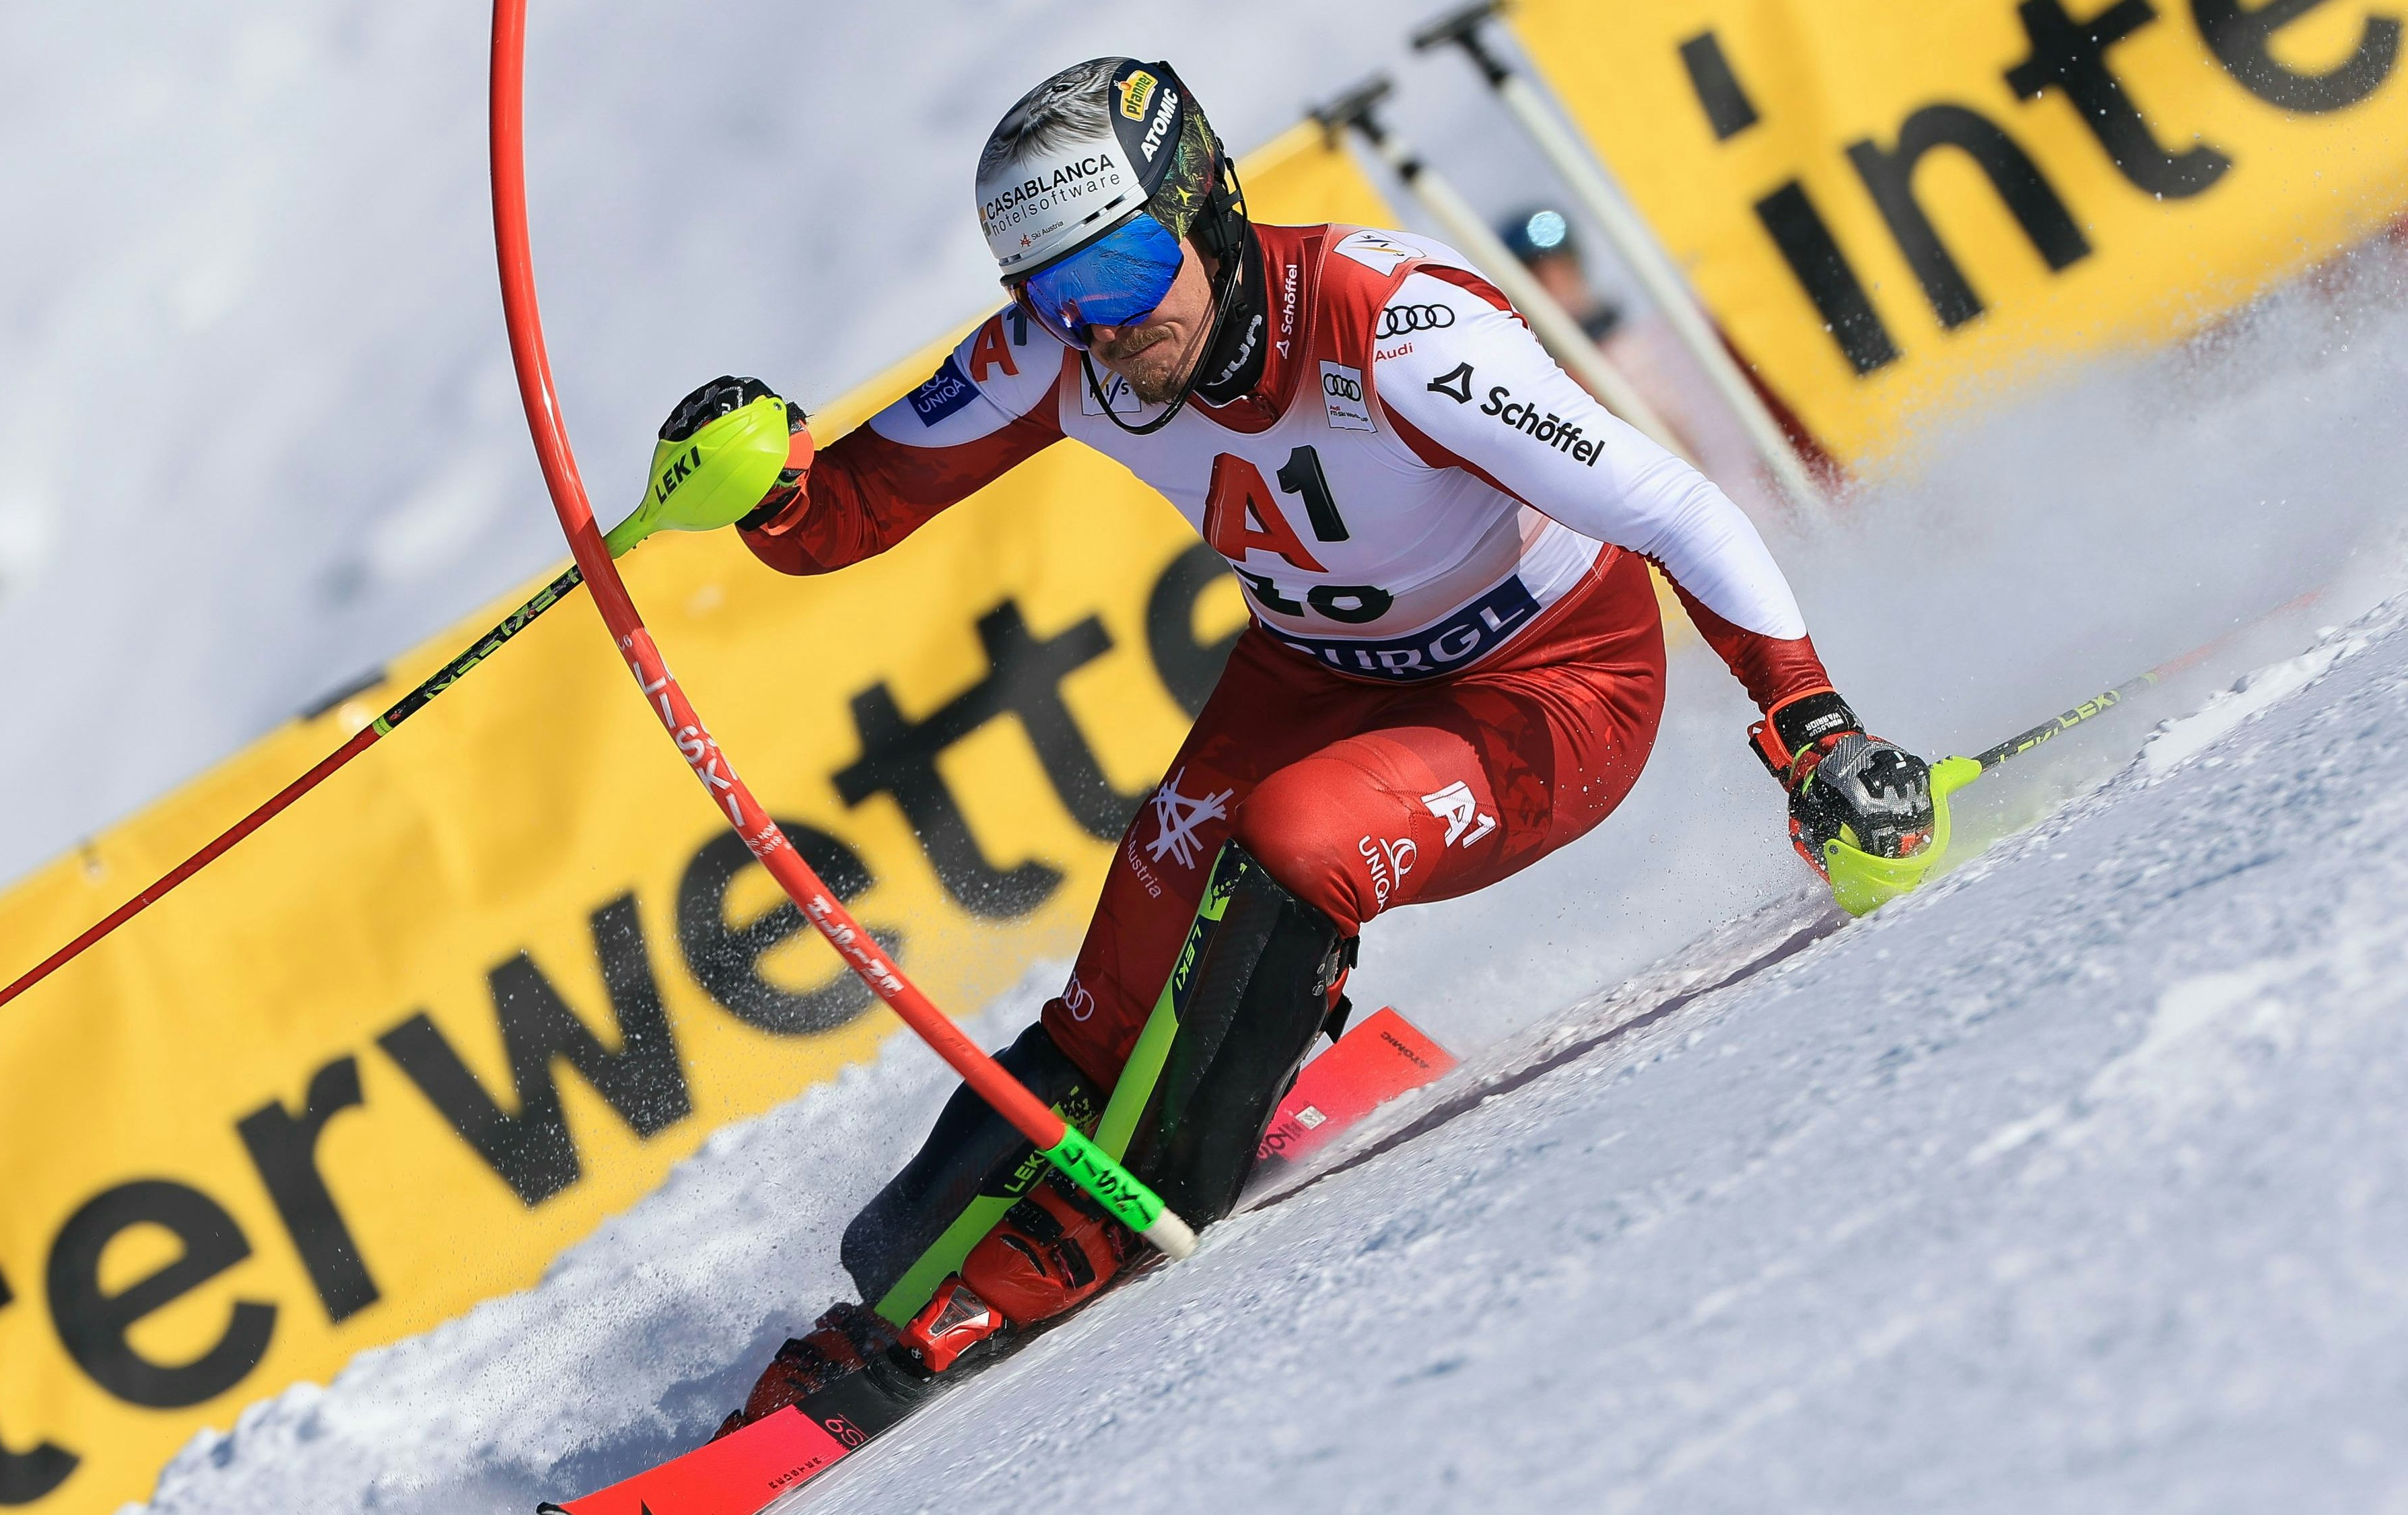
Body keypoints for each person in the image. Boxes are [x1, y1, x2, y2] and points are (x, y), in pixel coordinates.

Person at [608, 58, 1936, 1427]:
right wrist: (757, 481)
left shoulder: (1393, 325)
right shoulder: (1061, 352)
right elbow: (843, 517)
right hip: (1311, 674)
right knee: (1095, 1013)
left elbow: (1673, 510)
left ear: (1204, 212)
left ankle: (1119, 1215)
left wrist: (1810, 731)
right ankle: (922, 1278)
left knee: (1291, 839)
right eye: (1055, 293)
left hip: (1546, 690)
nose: (1099, 328)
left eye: (1122, 273)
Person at [1499, 203, 1778, 515]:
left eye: (1563, 268)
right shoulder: (1551, 390)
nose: (1557, 283)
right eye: (1539, 276)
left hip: (1763, 502)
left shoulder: (1672, 334)